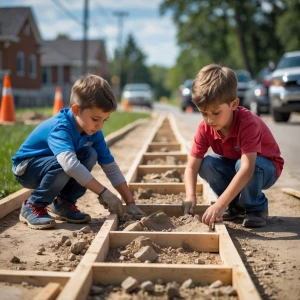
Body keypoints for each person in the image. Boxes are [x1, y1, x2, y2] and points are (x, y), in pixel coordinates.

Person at [12, 75, 145, 230]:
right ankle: (33, 205)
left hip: (52, 165)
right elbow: (70, 166)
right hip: (27, 168)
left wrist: (130, 202)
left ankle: (64, 205)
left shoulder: (93, 132)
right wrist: (104, 192)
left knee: (90, 154)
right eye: (95, 119)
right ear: (76, 110)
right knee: (66, 163)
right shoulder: (61, 127)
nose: (100, 126)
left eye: (104, 120)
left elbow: (110, 166)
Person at [182, 64, 284, 228]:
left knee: (245, 165)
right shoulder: (205, 128)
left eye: (216, 113)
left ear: (234, 104)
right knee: (207, 163)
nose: (210, 120)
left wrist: (219, 205)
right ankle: (235, 206)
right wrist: (190, 196)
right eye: (204, 113)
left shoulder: (247, 123)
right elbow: (192, 168)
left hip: (265, 168)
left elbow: (247, 168)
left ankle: (256, 208)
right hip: (237, 165)